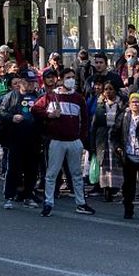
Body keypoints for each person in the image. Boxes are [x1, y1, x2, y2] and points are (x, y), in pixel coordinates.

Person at [32, 67, 94, 217]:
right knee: (51, 174)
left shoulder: (79, 98)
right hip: (56, 141)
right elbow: (35, 109)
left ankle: (81, 203)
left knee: (76, 175)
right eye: (68, 77)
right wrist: (49, 114)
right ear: (61, 79)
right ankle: (49, 203)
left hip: (74, 142)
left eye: (73, 77)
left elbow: (85, 121)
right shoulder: (51, 96)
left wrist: (81, 139)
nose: (71, 80)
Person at [0, 70, 42, 209]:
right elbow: (1, 111)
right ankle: (9, 196)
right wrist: (12, 117)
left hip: (33, 139)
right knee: (13, 169)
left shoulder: (38, 96)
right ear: (21, 81)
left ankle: (28, 195)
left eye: (33, 82)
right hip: (15, 139)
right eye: (28, 82)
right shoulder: (11, 96)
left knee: (32, 169)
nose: (31, 85)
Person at [117, 93, 139, 219]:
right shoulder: (124, 116)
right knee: (128, 186)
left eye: (138, 102)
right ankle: (128, 210)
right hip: (128, 156)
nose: (135, 104)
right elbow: (114, 133)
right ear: (129, 104)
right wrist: (118, 148)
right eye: (133, 102)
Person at [92, 82, 125, 201]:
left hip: (116, 139)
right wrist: (92, 144)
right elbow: (94, 125)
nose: (108, 91)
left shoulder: (121, 105)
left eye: (111, 89)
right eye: (106, 89)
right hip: (103, 140)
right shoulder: (101, 105)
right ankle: (106, 191)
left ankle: (117, 189)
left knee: (117, 165)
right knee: (105, 166)